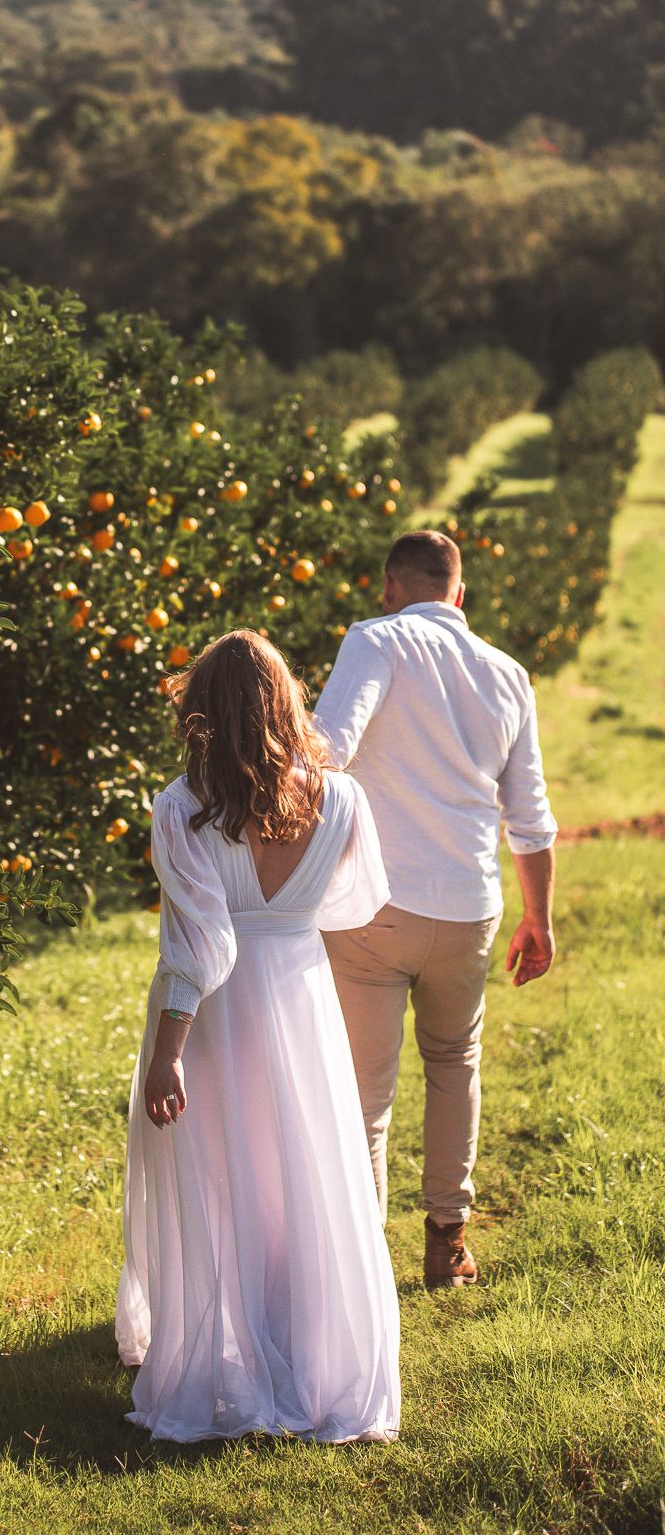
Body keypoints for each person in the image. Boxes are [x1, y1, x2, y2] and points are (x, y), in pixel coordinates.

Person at [116, 629, 400, 1446]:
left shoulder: (182, 808)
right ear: (287, 702)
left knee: (221, 1175)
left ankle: (228, 1357)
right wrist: (288, 916)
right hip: (301, 995)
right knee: (300, 1171)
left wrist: (167, 1051)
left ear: (200, 710)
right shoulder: (342, 800)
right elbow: (356, 904)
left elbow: (197, 945)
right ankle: (311, 1360)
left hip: (214, 1016)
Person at [314, 529, 558, 1290]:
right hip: (467, 908)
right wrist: (538, 918)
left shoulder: (375, 640)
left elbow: (326, 750)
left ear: (388, 586)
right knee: (454, 1064)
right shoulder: (508, 673)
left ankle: (357, 1264)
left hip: (371, 908)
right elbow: (530, 816)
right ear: (460, 594)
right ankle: (447, 1243)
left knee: (363, 1090)